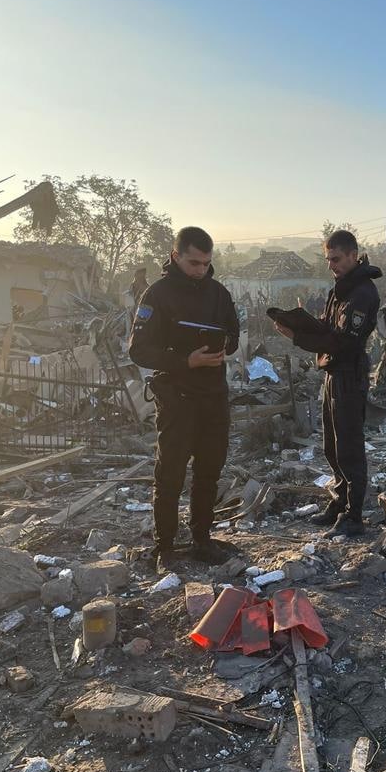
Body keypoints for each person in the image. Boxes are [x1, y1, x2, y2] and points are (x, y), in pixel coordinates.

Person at [129, 226, 240, 573]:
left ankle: (202, 540)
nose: (200, 270)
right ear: (176, 257)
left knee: (209, 471)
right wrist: (185, 361)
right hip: (176, 396)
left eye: (206, 264)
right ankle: (165, 546)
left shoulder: (218, 293)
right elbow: (138, 350)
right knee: (171, 475)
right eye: (194, 263)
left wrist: (224, 345)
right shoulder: (157, 295)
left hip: (213, 396)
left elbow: (234, 334)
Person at [275, 230, 381, 538]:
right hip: (334, 374)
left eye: (336, 259)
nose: (331, 265)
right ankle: (339, 503)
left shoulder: (362, 293)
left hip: (349, 374)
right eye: (328, 259)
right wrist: (301, 321)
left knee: (349, 448)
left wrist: (298, 337)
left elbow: (344, 342)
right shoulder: (341, 288)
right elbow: (328, 326)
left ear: (353, 255)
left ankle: (353, 516)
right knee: (332, 447)